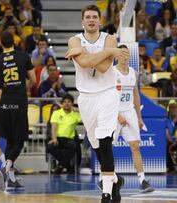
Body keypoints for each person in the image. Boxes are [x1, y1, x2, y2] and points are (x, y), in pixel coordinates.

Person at [65, 4, 128, 203]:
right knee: (96, 143)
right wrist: (110, 52)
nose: (91, 20)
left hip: (108, 93)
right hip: (85, 97)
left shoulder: (109, 38)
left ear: (100, 20)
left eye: (94, 17)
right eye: (88, 17)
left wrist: (87, 54)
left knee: (105, 139)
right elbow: (85, 64)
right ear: (82, 21)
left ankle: (106, 192)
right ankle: (115, 180)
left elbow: (102, 67)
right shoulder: (74, 40)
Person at [0, 31, 36, 191]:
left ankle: (9, 174)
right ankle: (7, 167)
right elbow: (33, 80)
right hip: (19, 101)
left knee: (10, 140)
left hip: (4, 104)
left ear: (0, 44)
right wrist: (22, 87)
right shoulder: (24, 57)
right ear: (14, 41)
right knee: (19, 140)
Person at [113, 45, 154, 193]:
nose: (125, 56)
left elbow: (136, 95)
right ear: (117, 55)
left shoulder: (133, 73)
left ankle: (142, 180)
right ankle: (105, 177)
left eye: (127, 53)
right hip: (113, 113)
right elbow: (107, 97)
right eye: (122, 53)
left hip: (129, 111)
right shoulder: (111, 73)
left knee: (135, 146)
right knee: (107, 148)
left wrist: (139, 117)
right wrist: (117, 115)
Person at [47, 94, 81, 174]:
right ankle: (67, 166)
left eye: (69, 102)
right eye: (64, 102)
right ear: (62, 103)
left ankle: (61, 166)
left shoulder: (75, 115)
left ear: (72, 103)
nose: (66, 103)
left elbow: (87, 114)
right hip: (57, 138)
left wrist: (77, 110)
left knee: (74, 146)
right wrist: (54, 138)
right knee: (50, 146)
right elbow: (54, 127)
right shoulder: (56, 113)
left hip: (69, 139)